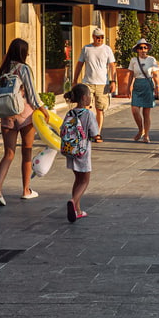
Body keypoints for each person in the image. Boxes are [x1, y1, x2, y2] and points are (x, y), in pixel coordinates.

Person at [0, 38, 49, 206]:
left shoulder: (3, 70)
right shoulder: (23, 69)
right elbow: (32, 94)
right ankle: (26, 190)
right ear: (23, 53)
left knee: (8, 154)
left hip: (6, 115)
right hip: (25, 115)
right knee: (27, 151)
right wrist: (44, 110)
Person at [62, 83, 99, 223]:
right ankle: (73, 201)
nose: (90, 98)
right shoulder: (88, 114)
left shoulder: (70, 113)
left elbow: (62, 129)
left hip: (71, 150)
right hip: (83, 151)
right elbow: (94, 132)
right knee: (85, 181)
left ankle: (77, 209)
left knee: (77, 179)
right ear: (84, 98)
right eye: (89, 95)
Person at [72, 28, 116, 142]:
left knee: (100, 109)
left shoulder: (107, 49)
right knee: (86, 108)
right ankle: (86, 131)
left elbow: (112, 66)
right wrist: (75, 80)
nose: (100, 39)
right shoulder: (86, 48)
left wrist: (113, 81)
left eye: (102, 37)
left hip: (102, 83)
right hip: (88, 83)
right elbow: (80, 64)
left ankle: (97, 133)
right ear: (93, 37)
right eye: (97, 37)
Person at [128, 38, 158, 143]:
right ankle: (141, 130)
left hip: (147, 84)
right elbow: (131, 74)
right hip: (137, 85)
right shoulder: (133, 60)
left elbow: (155, 74)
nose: (143, 50)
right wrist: (128, 87)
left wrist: (157, 87)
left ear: (148, 49)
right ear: (137, 49)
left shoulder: (152, 60)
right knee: (134, 109)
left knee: (146, 112)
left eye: (145, 47)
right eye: (141, 48)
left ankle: (146, 135)